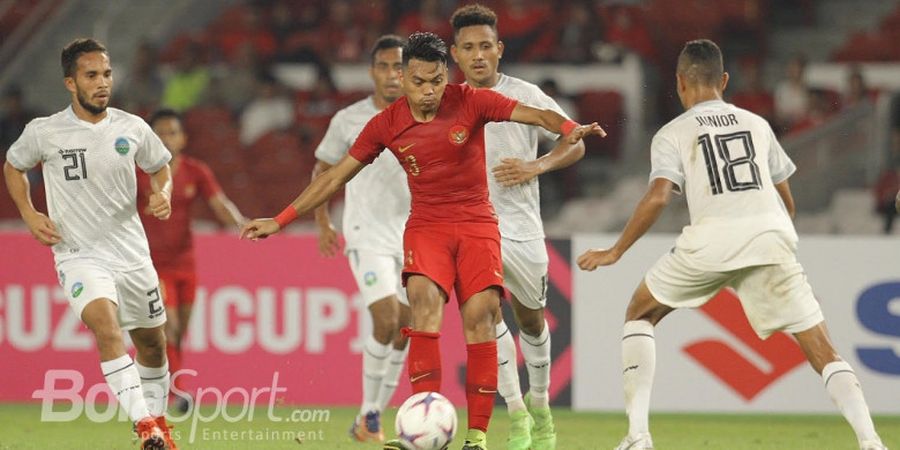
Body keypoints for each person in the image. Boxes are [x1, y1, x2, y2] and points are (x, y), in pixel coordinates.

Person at [241, 32, 604, 450]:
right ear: (405, 77)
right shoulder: (387, 123)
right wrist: (282, 219)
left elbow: (536, 115)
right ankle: (421, 429)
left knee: (481, 319)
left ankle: (476, 438)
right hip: (427, 227)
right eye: (419, 82)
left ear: (445, 74)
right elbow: (336, 175)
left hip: (476, 225)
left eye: (435, 80)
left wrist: (570, 127)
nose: (429, 91)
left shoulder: (471, 101)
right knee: (423, 311)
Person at [576, 39, 886, 450]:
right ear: (723, 80)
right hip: (770, 236)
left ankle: (638, 437)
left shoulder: (673, 132)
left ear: (680, 83)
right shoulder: (757, 124)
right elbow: (786, 201)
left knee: (640, 312)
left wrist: (615, 251)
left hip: (712, 240)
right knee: (822, 349)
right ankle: (871, 443)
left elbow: (657, 195)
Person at [3, 38, 178, 450]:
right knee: (106, 326)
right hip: (78, 253)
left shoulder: (132, 127)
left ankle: (160, 422)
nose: (102, 83)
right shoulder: (45, 132)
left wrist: (163, 193)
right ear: (70, 82)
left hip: (132, 253)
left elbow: (161, 167)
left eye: (107, 74)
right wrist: (29, 213)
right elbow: (13, 167)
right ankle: (145, 428)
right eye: (91, 75)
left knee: (153, 343)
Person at [449, 5, 587, 449]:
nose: (478, 55)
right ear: (455, 54)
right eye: (468, 48)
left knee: (531, 321)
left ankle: (541, 404)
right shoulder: (446, 103)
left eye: (485, 46)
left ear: (500, 49)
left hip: (523, 229)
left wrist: (536, 166)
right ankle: (519, 415)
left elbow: (574, 142)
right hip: (473, 231)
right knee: (484, 318)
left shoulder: (526, 96)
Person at [311, 34, 411, 443]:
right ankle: (370, 413)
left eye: (399, 67)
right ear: (372, 72)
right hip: (365, 232)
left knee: (408, 328)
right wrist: (321, 221)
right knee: (386, 317)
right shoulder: (349, 120)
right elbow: (321, 171)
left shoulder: (424, 115)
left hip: (412, 234)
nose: (392, 75)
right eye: (385, 67)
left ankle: (370, 416)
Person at [136, 108, 246, 413]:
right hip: (151, 264)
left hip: (186, 263)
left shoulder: (195, 171)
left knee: (180, 331)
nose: (165, 138)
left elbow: (219, 203)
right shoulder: (136, 173)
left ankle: (160, 385)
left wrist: (240, 224)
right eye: (159, 132)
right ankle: (178, 392)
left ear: (183, 138)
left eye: (172, 132)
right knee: (167, 327)